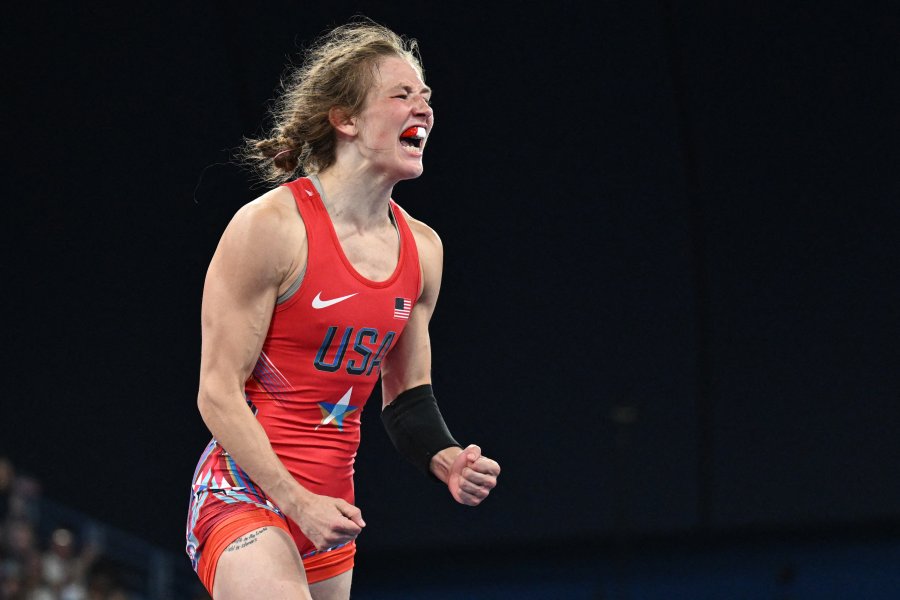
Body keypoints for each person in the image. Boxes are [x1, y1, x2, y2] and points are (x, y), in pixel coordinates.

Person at [185, 21, 501, 600]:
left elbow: (407, 399)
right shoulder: (272, 227)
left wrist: (448, 458)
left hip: (331, 509)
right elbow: (217, 392)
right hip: (246, 493)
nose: (423, 107)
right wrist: (293, 500)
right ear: (345, 118)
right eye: (402, 95)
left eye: (426, 95)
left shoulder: (422, 250)